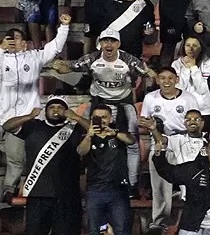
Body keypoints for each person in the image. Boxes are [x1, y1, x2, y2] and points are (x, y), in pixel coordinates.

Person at [51, 30, 157, 198]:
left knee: (133, 144)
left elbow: (147, 73)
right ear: (100, 43)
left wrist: (151, 73)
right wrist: (58, 66)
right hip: (99, 104)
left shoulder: (128, 60)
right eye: (105, 41)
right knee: (83, 137)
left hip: (123, 104)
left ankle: (132, 185)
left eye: (112, 41)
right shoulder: (92, 58)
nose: (109, 45)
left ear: (118, 44)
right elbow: (70, 67)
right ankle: (81, 183)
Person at [0, 15, 70, 201]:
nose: (13, 42)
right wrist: (1, 50)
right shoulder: (1, 59)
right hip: (1, 117)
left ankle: (10, 189)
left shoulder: (34, 57)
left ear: (25, 43)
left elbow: (55, 47)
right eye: (9, 38)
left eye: (16, 38)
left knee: (16, 159)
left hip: (23, 121)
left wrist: (64, 26)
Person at [2, 97, 88, 235]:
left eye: (60, 107)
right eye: (52, 107)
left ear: (66, 111)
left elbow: (96, 130)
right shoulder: (33, 126)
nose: (55, 110)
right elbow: (7, 126)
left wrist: (76, 117)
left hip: (66, 195)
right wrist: (29, 116)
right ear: (46, 110)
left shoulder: (74, 129)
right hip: (37, 194)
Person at [139, 67, 201, 234]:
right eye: (162, 78)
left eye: (170, 78)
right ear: (157, 80)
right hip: (160, 140)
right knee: (159, 184)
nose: (166, 81)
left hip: (184, 141)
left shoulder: (188, 98)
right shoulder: (150, 98)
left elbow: (196, 121)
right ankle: (159, 222)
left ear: (177, 79)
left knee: (192, 183)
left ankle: (195, 218)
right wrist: (153, 127)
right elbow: (144, 122)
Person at [79, 104, 137, 235]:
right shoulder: (87, 136)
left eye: (104, 117)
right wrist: (88, 136)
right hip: (95, 190)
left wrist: (114, 133)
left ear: (111, 119)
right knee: (95, 231)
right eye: (96, 117)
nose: (101, 120)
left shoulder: (117, 134)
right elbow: (81, 151)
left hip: (118, 191)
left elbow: (131, 140)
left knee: (122, 230)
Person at [87, 0, 156, 56]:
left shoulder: (145, 4)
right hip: (107, 52)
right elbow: (96, 25)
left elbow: (150, 27)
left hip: (133, 53)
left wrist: (150, 31)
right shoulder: (107, 1)